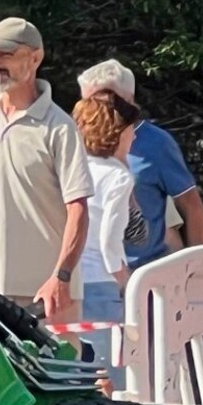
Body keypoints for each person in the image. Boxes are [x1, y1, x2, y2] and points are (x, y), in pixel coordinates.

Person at [0, 17, 92, 320]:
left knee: (56, 369)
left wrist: (61, 278)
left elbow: (78, 209)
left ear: (35, 58)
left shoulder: (59, 127)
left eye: (6, 53)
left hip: (48, 294)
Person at [76, 60, 203, 269]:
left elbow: (192, 206)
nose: (89, 113)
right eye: (85, 103)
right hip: (87, 273)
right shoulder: (72, 140)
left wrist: (194, 269)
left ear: (128, 100)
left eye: (98, 103)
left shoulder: (157, 144)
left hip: (144, 274)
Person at [74, 97, 138, 323]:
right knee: (107, 358)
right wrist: (126, 281)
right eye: (131, 130)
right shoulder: (119, 177)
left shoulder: (74, 168)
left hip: (69, 281)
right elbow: (109, 242)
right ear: (117, 133)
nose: (135, 136)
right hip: (101, 284)